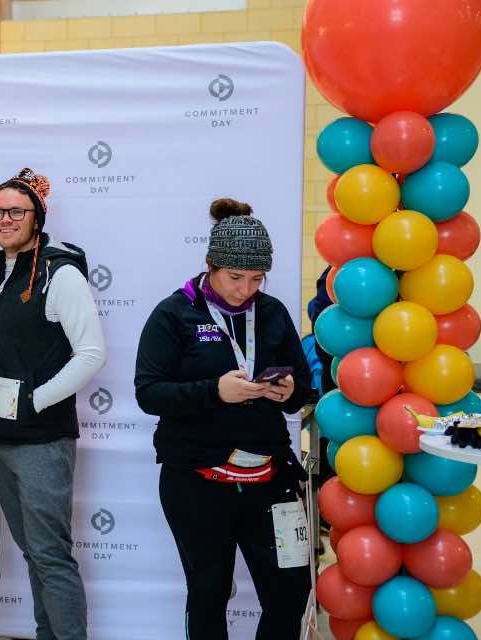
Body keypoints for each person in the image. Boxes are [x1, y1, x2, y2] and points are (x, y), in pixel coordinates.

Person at [134, 198, 312, 640]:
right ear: (211, 265)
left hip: (269, 478)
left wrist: (291, 392)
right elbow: (148, 392)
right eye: (235, 277)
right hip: (197, 483)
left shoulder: (271, 313)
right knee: (209, 592)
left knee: (290, 589)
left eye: (256, 278)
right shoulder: (174, 314)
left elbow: (304, 387)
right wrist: (215, 391)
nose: (244, 290)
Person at [0, 168, 105, 640]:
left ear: (37, 218)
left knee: (51, 554)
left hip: (42, 440)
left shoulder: (60, 272)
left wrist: (36, 399)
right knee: (33, 552)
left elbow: (92, 352)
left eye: (17, 211)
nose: (5, 219)